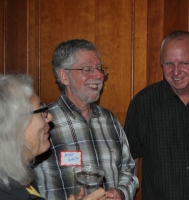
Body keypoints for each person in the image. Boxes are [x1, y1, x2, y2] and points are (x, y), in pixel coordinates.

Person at [34, 39, 139, 200]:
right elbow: (23, 185)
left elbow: (128, 170)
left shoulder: (110, 120)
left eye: (99, 68)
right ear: (64, 76)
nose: (98, 75)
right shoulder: (43, 123)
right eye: (88, 69)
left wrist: (121, 193)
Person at [124, 30, 189, 199]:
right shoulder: (143, 103)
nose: (176, 72)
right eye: (169, 63)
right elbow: (130, 160)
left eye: (184, 63)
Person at [0, 74, 106, 200]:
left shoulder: (16, 178)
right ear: (15, 126)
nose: (49, 117)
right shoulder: (7, 192)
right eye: (40, 110)